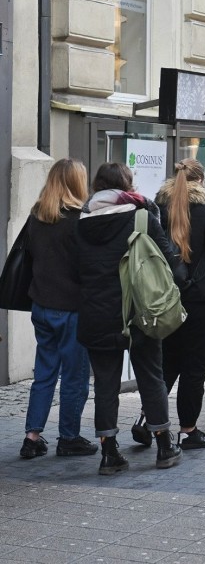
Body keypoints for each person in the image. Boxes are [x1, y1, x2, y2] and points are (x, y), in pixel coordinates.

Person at [76, 162, 184, 474]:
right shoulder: (140, 215)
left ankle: (109, 453)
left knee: (106, 385)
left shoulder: (82, 221)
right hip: (139, 311)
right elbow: (165, 259)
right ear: (126, 184)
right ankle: (164, 446)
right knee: (151, 376)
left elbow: (76, 270)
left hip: (96, 313)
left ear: (97, 186)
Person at [151, 159, 205, 449]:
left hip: (164, 298)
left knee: (166, 362)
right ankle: (188, 430)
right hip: (200, 299)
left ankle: (146, 420)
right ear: (200, 181)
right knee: (194, 367)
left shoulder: (157, 209)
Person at [20, 159, 98, 460]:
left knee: (44, 374)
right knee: (75, 376)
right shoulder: (80, 219)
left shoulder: (37, 215)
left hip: (41, 306)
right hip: (72, 309)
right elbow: (86, 268)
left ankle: (32, 436)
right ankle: (68, 437)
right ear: (77, 183)